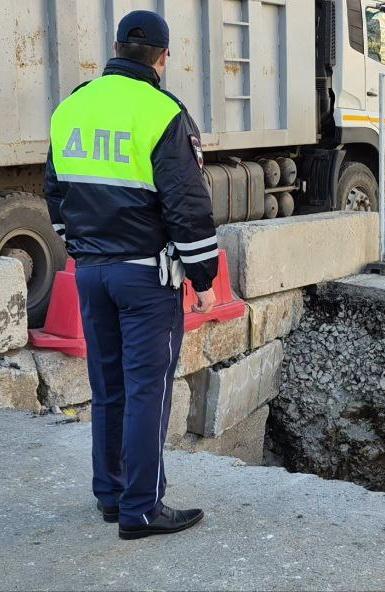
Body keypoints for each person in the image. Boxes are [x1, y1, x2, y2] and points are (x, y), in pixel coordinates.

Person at [44, 10, 218, 540]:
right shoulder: (163, 112)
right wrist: (204, 278)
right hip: (143, 277)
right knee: (148, 390)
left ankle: (110, 494)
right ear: (163, 58)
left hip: (90, 271)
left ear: (116, 48)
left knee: (108, 386)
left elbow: (56, 189)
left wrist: (78, 243)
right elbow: (187, 205)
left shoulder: (72, 105)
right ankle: (141, 508)